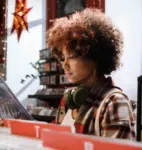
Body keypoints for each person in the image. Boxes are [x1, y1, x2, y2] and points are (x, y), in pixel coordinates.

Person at [46, 8, 135, 140]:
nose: (64, 64)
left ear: (94, 56)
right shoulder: (67, 100)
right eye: (63, 58)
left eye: (72, 56)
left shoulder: (115, 102)